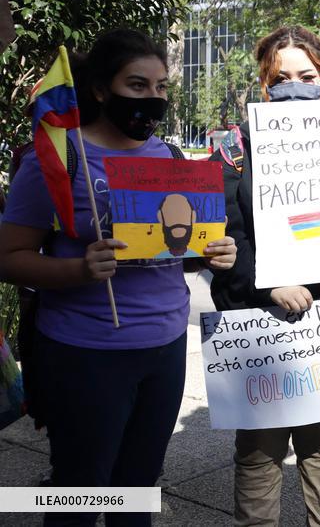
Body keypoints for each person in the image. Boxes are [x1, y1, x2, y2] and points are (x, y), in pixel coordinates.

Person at [0, 28, 237, 526]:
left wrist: (212, 253)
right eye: (137, 86)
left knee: (137, 490)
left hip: (166, 347)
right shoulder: (58, 160)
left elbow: (174, 250)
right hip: (85, 353)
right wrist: (77, 269)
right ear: (102, 89)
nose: (153, 99)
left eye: (161, 88)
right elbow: (9, 256)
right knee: (79, 496)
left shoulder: (171, 160)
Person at [208, 26, 320, 527]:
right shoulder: (233, 150)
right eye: (282, 78)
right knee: (258, 458)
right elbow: (225, 240)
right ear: (264, 85)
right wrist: (267, 283)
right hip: (258, 326)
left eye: (305, 76)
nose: (293, 86)